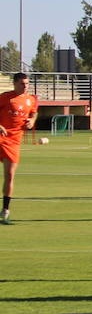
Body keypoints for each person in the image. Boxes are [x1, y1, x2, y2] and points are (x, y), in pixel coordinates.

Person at [0, 73, 40, 225]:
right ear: (15, 83)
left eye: (27, 83)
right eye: (22, 83)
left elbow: (34, 112)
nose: (26, 86)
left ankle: (5, 211)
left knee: (9, 175)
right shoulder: (5, 97)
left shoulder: (31, 100)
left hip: (14, 142)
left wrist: (32, 120)